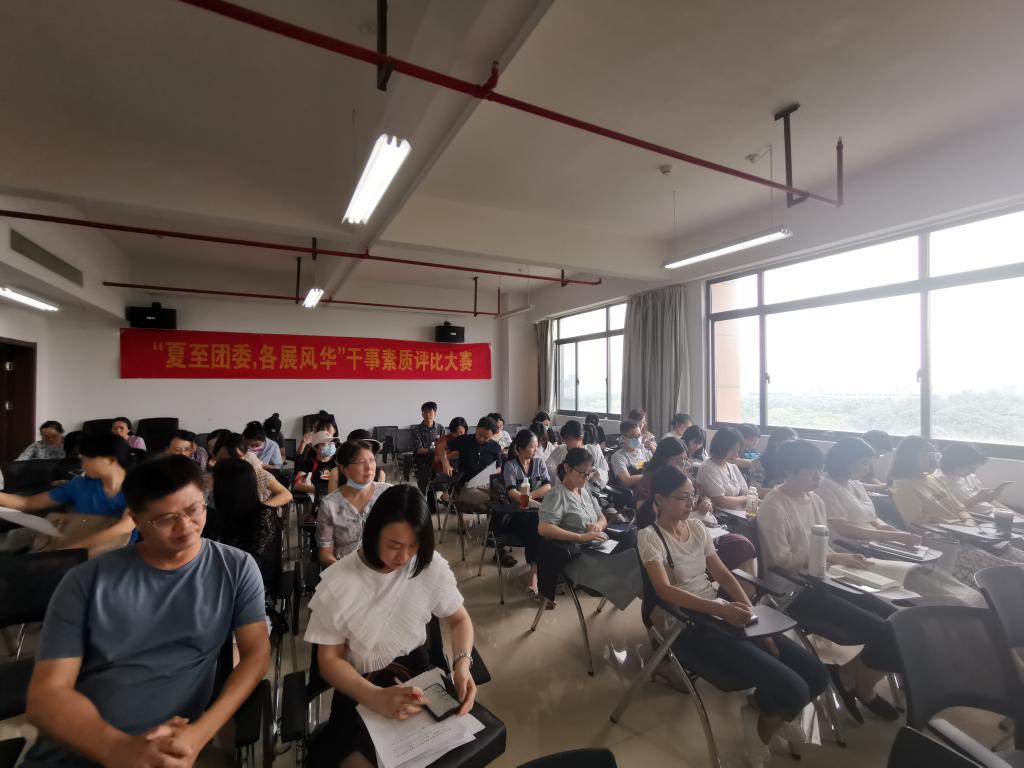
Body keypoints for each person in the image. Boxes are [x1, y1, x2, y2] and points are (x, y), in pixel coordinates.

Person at [22, 455, 269, 768]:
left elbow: (256, 655)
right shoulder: (86, 581)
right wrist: (120, 749)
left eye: (194, 509)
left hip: (173, 745)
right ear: (135, 520)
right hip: (81, 744)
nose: (185, 526)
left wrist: (200, 734)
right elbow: (46, 697)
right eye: (166, 519)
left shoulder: (235, 567)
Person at [637, 465, 827, 765]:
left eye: (692, 496)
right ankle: (762, 728)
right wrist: (721, 609)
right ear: (659, 500)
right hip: (690, 625)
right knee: (794, 688)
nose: (690, 503)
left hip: (718, 613)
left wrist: (749, 613)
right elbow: (665, 591)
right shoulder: (650, 537)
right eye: (683, 497)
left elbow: (723, 575)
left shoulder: (697, 528)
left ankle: (761, 710)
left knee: (817, 675)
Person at [304, 485, 476, 767]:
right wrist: (375, 697)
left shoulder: (428, 566)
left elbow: (460, 620)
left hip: (418, 678)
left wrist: (462, 665)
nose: (404, 557)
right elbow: (329, 660)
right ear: (373, 533)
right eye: (394, 545)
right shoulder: (339, 581)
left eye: (414, 545)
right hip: (360, 687)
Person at [756, 440, 903, 723]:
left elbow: (822, 544)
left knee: (896, 617)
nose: (817, 479)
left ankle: (851, 673)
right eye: (810, 473)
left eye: (819, 471)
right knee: (881, 629)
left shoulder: (815, 501)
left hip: (824, 578)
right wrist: (827, 557)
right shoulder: (773, 506)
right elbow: (780, 560)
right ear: (788, 472)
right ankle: (863, 688)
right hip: (795, 591)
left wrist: (840, 558)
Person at [818, 438, 985, 606]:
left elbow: (871, 515)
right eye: (863, 464)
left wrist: (881, 525)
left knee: (933, 571)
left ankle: (971, 599)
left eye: (869, 464)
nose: (868, 469)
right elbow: (843, 529)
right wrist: (893, 536)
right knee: (925, 578)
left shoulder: (854, 483)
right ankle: (953, 604)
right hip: (855, 547)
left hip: (877, 541)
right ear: (845, 461)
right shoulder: (826, 486)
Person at [635, 437, 757, 575]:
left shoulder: (683, 477)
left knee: (742, 544)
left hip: (699, 529)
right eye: (678, 459)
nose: (682, 463)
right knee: (738, 549)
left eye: (685, 459)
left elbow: (702, 495)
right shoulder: (651, 480)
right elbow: (644, 514)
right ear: (664, 458)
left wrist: (707, 501)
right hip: (676, 535)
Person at [0, 432, 134, 556]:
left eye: (85, 459)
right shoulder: (81, 484)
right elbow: (27, 503)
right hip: (74, 537)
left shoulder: (138, 489)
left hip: (109, 553)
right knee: (21, 535)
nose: (82, 465)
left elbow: (122, 529)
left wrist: (68, 552)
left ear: (110, 460)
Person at [317, 440, 391, 566]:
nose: (369, 467)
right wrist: (348, 571)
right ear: (343, 468)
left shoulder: (388, 494)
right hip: (345, 568)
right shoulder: (330, 504)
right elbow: (325, 554)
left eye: (372, 460)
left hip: (385, 567)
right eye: (361, 462)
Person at [208, 458, 277, 586]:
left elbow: (257, 561)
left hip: (248, 581)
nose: (209, 483)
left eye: (212, 478)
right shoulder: (214, 511)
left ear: (225, 485)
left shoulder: (262, 515)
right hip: (218, 575)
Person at [500, 429, 554, 592]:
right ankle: (535, 573)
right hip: (518, 513)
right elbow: (511, 491)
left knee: (539, 524)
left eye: (537, 446)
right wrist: (525, 500)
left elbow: (547, 485)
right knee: (536, 527)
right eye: (532, 446)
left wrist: (529, 496)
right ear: (520, 448)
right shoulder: (510, 466)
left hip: (537, 509)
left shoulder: (539, 463)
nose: (536, 449)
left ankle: (536, 571)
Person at [212, 433, 292, 508]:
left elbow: (286, 494)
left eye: (235, 460)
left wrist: (260, 509)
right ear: (214, 456)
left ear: (245, 456)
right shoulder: (216, 476)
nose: (229, 465)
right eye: (223, 460)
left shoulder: (256, 474)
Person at [441, 417, 501, 514]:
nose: (481, 439)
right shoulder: (465, 440)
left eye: (486, 437)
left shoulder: (495, 447)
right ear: (476, 428)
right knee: (491, 501)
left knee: (503, 496)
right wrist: (445, 464)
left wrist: (488, 475)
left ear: (492, 435)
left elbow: (499, 467)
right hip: (466, 486)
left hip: (485, 485)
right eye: (480, 434)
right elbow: (442, 446)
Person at [937, 442, 1013, 515]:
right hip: (977, 518)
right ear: (954, 462)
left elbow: (989, 501)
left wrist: (1013, 513)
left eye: (976, 468)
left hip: (993, 514)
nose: (973, 471)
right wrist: (977, 499)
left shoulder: (970, 476)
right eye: (970, 467)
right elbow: (950, 513)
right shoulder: (939, 481)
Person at [696, 427, 750, 511]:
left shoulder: (732, 466)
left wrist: (744, 497)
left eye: (738, 451)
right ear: (721, 446)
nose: (736, 454)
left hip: (738, 512)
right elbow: (722, 501)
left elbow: (745, 491)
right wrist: (746, 498)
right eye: (732, 450)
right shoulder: (708, 467)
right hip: (721, 515)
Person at [546, 420, 609, 490]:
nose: (566, 443)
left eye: (569, 440)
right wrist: (560, 472)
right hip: (565, 490)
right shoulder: (560, 450)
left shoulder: (593, 451)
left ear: (580, 438)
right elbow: (547, 470)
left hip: (590, 491)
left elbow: (604, 476)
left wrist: (592, 473)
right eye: (564, 440)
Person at [748, 427, 798, 493]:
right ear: (776, 443)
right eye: (790, 443)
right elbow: (755, 490)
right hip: (770, 498)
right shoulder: (760, 462)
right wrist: (784, 492)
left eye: (795, 443)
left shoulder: (796, 462)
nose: (794, 446)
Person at [294, 430, 339, 496]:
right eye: (325, 444)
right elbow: (297, 485)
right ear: (315, 448)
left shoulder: (339, 461)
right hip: (318, 498)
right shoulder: (310, 463)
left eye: (331, 443)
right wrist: (319, 490)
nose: (330, 446)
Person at [609, 419, 653, 489]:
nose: (637, 439)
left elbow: (660, 466)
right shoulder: (618, 456)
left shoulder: (645, 452)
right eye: (633, 437)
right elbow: (627, 481)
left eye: (639, 435)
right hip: (636, 491)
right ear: (623, 438)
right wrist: (650, 476)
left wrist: (652, 448)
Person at [412, 401, 445, 491]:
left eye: (430, 412)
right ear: (422, 414)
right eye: (425, 412)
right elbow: (419, 450)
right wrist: (435, 450)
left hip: (438, 459)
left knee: (442, 479)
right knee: (424, 485)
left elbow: (445, 447)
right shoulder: (416, 430)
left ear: (435, 414)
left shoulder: (441, 429)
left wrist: (437, 452)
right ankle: (424, 495)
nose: (427, 414)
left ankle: (441, 493)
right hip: (423, 460)